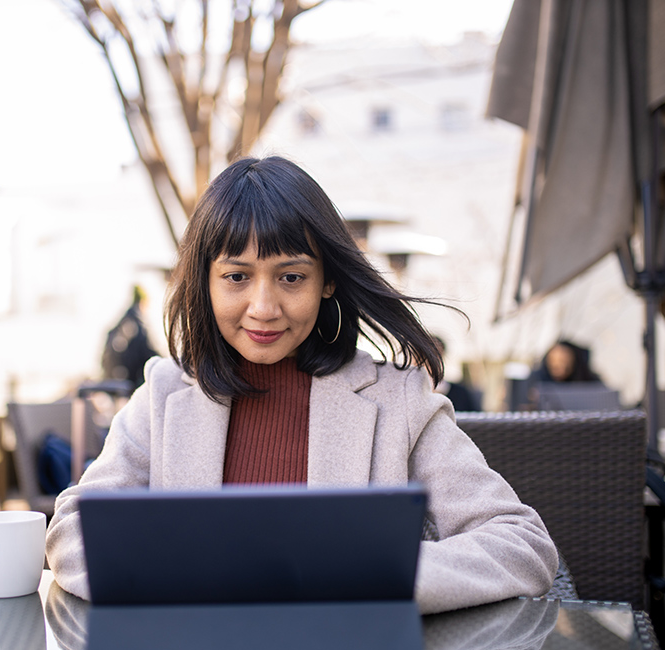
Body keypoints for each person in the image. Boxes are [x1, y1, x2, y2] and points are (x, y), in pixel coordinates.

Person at [46, 156, 558, 614]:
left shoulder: (397, 400)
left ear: (326, 280)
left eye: (291, 277)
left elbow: (521, 545)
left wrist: (370, 578)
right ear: (205, 279)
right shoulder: (163, 393)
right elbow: (72, 532)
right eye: (236, 277)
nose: (264, 308)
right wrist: (195, 578)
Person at [100, 285, 158, 388]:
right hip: (132, 383)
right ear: (142, 303)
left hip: (115, 380)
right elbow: (151, 354)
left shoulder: (121, 323)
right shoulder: (139, 324)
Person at [431, 336, 482, 411]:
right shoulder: (413, 393)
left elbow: (476, 417)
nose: (432, 361)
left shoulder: (460, 393)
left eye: (437, 355)